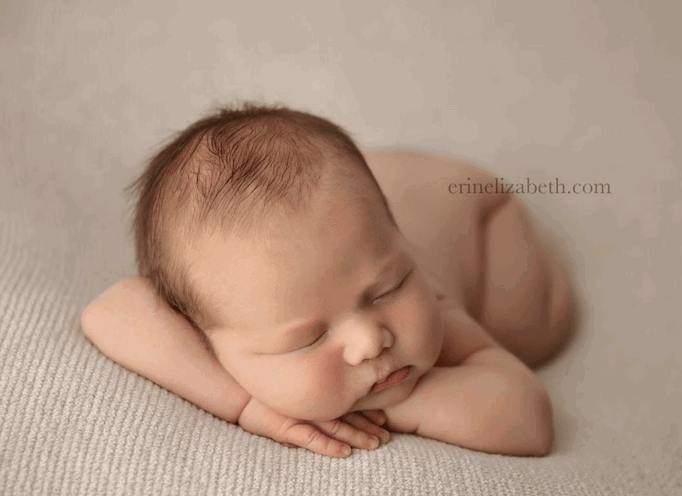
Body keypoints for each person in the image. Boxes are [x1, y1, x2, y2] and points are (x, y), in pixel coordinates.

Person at [81, 103, 576, 458]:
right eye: (309, 337)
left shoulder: (432, 299)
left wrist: (409, 405)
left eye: (387, 290)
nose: (370, 340)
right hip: (359, 210)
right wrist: (248, 406)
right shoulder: (231, 294)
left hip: (478, 210)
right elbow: (110, 310)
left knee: (535, 331)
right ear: (202, 333)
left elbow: (529, 417)